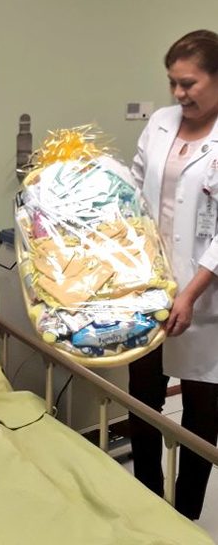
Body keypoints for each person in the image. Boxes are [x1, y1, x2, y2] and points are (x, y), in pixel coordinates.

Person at [129, 29, 218, 520]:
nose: (179, 93)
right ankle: (145, 498)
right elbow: (134, 186)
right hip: (148, 282)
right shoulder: (161, 122)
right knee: (142, 397)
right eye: (172, 83)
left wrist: (190, 294)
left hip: (206, 298)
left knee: (202, 412)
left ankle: (184, 513)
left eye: (189, 83)